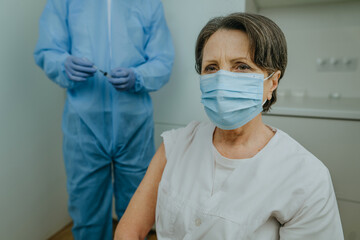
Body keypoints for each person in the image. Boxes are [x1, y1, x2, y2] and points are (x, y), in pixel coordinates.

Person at [114, 13, 344, 240]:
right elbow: (129, 231)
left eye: (241, 67)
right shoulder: (176, 146)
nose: (222, 80)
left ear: (272, 82)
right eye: (211, 68)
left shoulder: (307, 178)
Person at [34, 0, 174, 239]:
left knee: (136, 212)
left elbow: (163, 60)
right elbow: (47, 50)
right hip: (83, 124)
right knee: (87, 211)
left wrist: (138, 76)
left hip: (134, 125)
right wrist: (63, 64)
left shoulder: (149, 3)